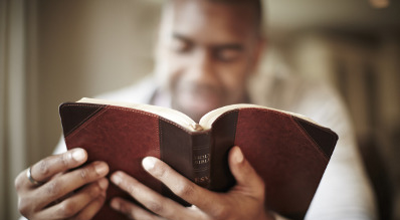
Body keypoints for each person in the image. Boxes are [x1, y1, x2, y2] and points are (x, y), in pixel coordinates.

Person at [15, 0, 377, 219]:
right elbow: (52, 204)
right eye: (182, 45)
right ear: (159, 40)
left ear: (256, 54)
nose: (200, 73)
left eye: (226, 52)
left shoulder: (312, 104)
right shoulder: (97, 114)